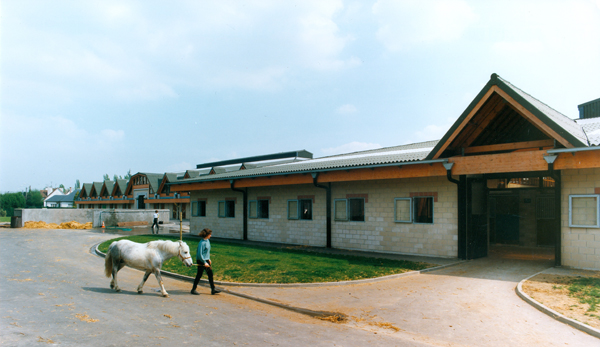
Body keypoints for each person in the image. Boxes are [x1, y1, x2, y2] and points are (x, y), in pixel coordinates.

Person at [191, 228, 220, 295]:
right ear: (207, 235)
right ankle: (193, 289)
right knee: (199, 275)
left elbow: (207, 252)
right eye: (210, 234)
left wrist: (208, 259)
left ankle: (213, 289)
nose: (211, 236)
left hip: (206, 260)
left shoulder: (207, 241)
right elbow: (199, 254)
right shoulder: (201, 243)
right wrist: (204, 262)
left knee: (210, 274)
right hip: (201, 260)